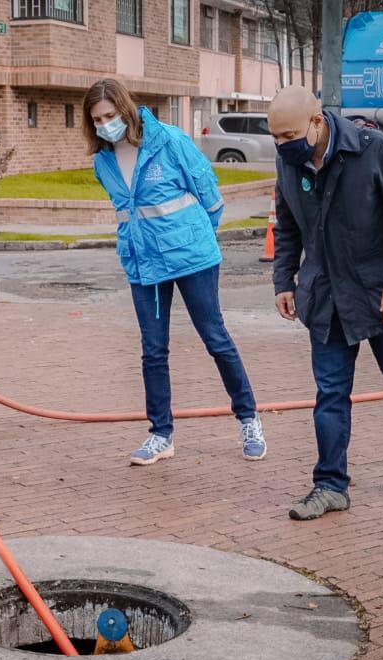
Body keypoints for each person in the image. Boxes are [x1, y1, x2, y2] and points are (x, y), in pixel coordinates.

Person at [267, 85, 383, 520]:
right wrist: (282, 280)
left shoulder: (375, 150)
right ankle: (330, 485)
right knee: (329, 394)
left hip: (382, 297)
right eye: (276, 139)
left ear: (317, 122)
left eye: (289, 136)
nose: (282, 146)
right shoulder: (289, 164)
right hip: (326, 298)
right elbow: (287, 224)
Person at [84, 78, 266, 466]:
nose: (105, 124)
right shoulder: (103, 161)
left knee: (215, 338)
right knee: (153, 350)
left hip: (192, 257)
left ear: (126, 109)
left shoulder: (169, 140)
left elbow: (209, 196)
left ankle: (249, 419)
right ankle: (160, 434)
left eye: (110, 116)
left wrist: (195, 236)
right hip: (143, 263)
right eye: (97, 120)